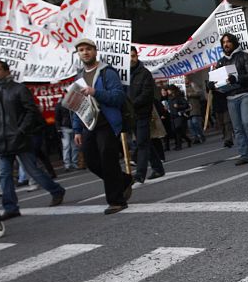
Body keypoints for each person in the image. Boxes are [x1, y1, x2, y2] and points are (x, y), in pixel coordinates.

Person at [0, 60, 65, 219]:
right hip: (2, 141)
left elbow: (31, 112)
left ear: (6, 71)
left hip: (19, 139)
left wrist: (21, 131)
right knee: (4, 174)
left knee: (33, 171)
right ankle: (10, 207)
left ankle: (56, 190)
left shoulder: (19, 89)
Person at [72, 38, 133, 215]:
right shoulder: (79, 76)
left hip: (107, 123)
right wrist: (76, 129)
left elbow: (118, 97)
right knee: (91, 162)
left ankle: (116, 201)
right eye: (81, 50)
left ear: (95, 51)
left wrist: (95, 92)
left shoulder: (107, 72)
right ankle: (124, 180)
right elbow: (77, 104)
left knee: (108, 159)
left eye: (88, 49)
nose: (85, 52)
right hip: (88, 125)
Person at [209, 32, 248, 165]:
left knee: (247, 123)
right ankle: (244, 155)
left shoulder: (243, 56)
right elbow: (218, 82)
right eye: (223, 43)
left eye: (228, 42)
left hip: (244, 94)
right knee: (237, 128)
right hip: (230, 97)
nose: (225, 44)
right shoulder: (221, 62)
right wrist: (211, 85)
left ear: (234, 43)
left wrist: (237, 78)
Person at [129, 46, 164, 184]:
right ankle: (158, 168)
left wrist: (131, 104)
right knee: (145, 142)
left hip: (143, 113)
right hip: (130, 116)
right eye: (128, 57)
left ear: (137, 56)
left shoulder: (145, 73)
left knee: (142, 143)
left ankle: (140, 174)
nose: (131, 59)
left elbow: (147, 94)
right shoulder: (122, 75)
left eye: (133, 56)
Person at [166, 85, 192, 150]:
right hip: (172, 116)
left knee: (178, 130)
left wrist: (178, 106)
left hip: (179, 115)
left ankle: (179, 146)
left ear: (172, 90)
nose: (167, 91)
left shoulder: (179, 97)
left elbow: (186, 105)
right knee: (175, 131)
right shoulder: (169, 98)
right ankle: (188, 140)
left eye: (168, 90)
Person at [55, 102, 79, 171]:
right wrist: (58, 129)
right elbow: (57, 118)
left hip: (66, 127)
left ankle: (69, 164)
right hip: (67, 127)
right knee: (70, 146)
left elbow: (57, 118)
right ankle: (71, 163)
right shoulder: (71, 103)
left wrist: (58, 128)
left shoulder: (60, 104)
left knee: (69, 146)